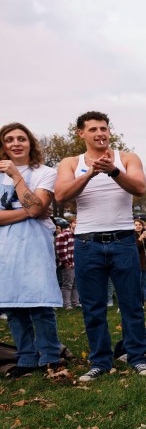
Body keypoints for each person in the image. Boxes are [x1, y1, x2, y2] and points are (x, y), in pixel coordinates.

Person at [53, 111, 146, 381]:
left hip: (122, 240)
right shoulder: (70, 162)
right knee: (93, 306)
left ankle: (137, 357)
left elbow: (140, 187)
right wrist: (90, 173)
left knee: (132, 303)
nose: (100, 133)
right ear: (81, 133)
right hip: (87, 243)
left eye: (104, 128)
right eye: (94, 129)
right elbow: (61, 195)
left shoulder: (127, 158)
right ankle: (99, 361)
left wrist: (113, 170)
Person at [0, 123, 64, 377]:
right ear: (3, 145)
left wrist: (17, 176)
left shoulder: (45, 172)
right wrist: (29, 212)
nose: (16, 143)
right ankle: (25, 357)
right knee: (13, 305)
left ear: (30, 143)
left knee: (40, 303)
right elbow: (34, 209)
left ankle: (50, 355)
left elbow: (39, 208)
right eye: (9, 139)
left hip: (35, 244)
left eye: (21, 139)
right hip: (5, 248)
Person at [55, 219, 79, 309]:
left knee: (76, 285)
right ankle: (66, 304)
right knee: (67, 285)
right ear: (70, 224)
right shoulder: (64, 234)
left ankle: (75, 303)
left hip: (77, 264)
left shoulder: (78, 235)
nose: (77, 225)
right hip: (68, 264)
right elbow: (61, 250)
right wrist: (66, 263)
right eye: (75, 223)